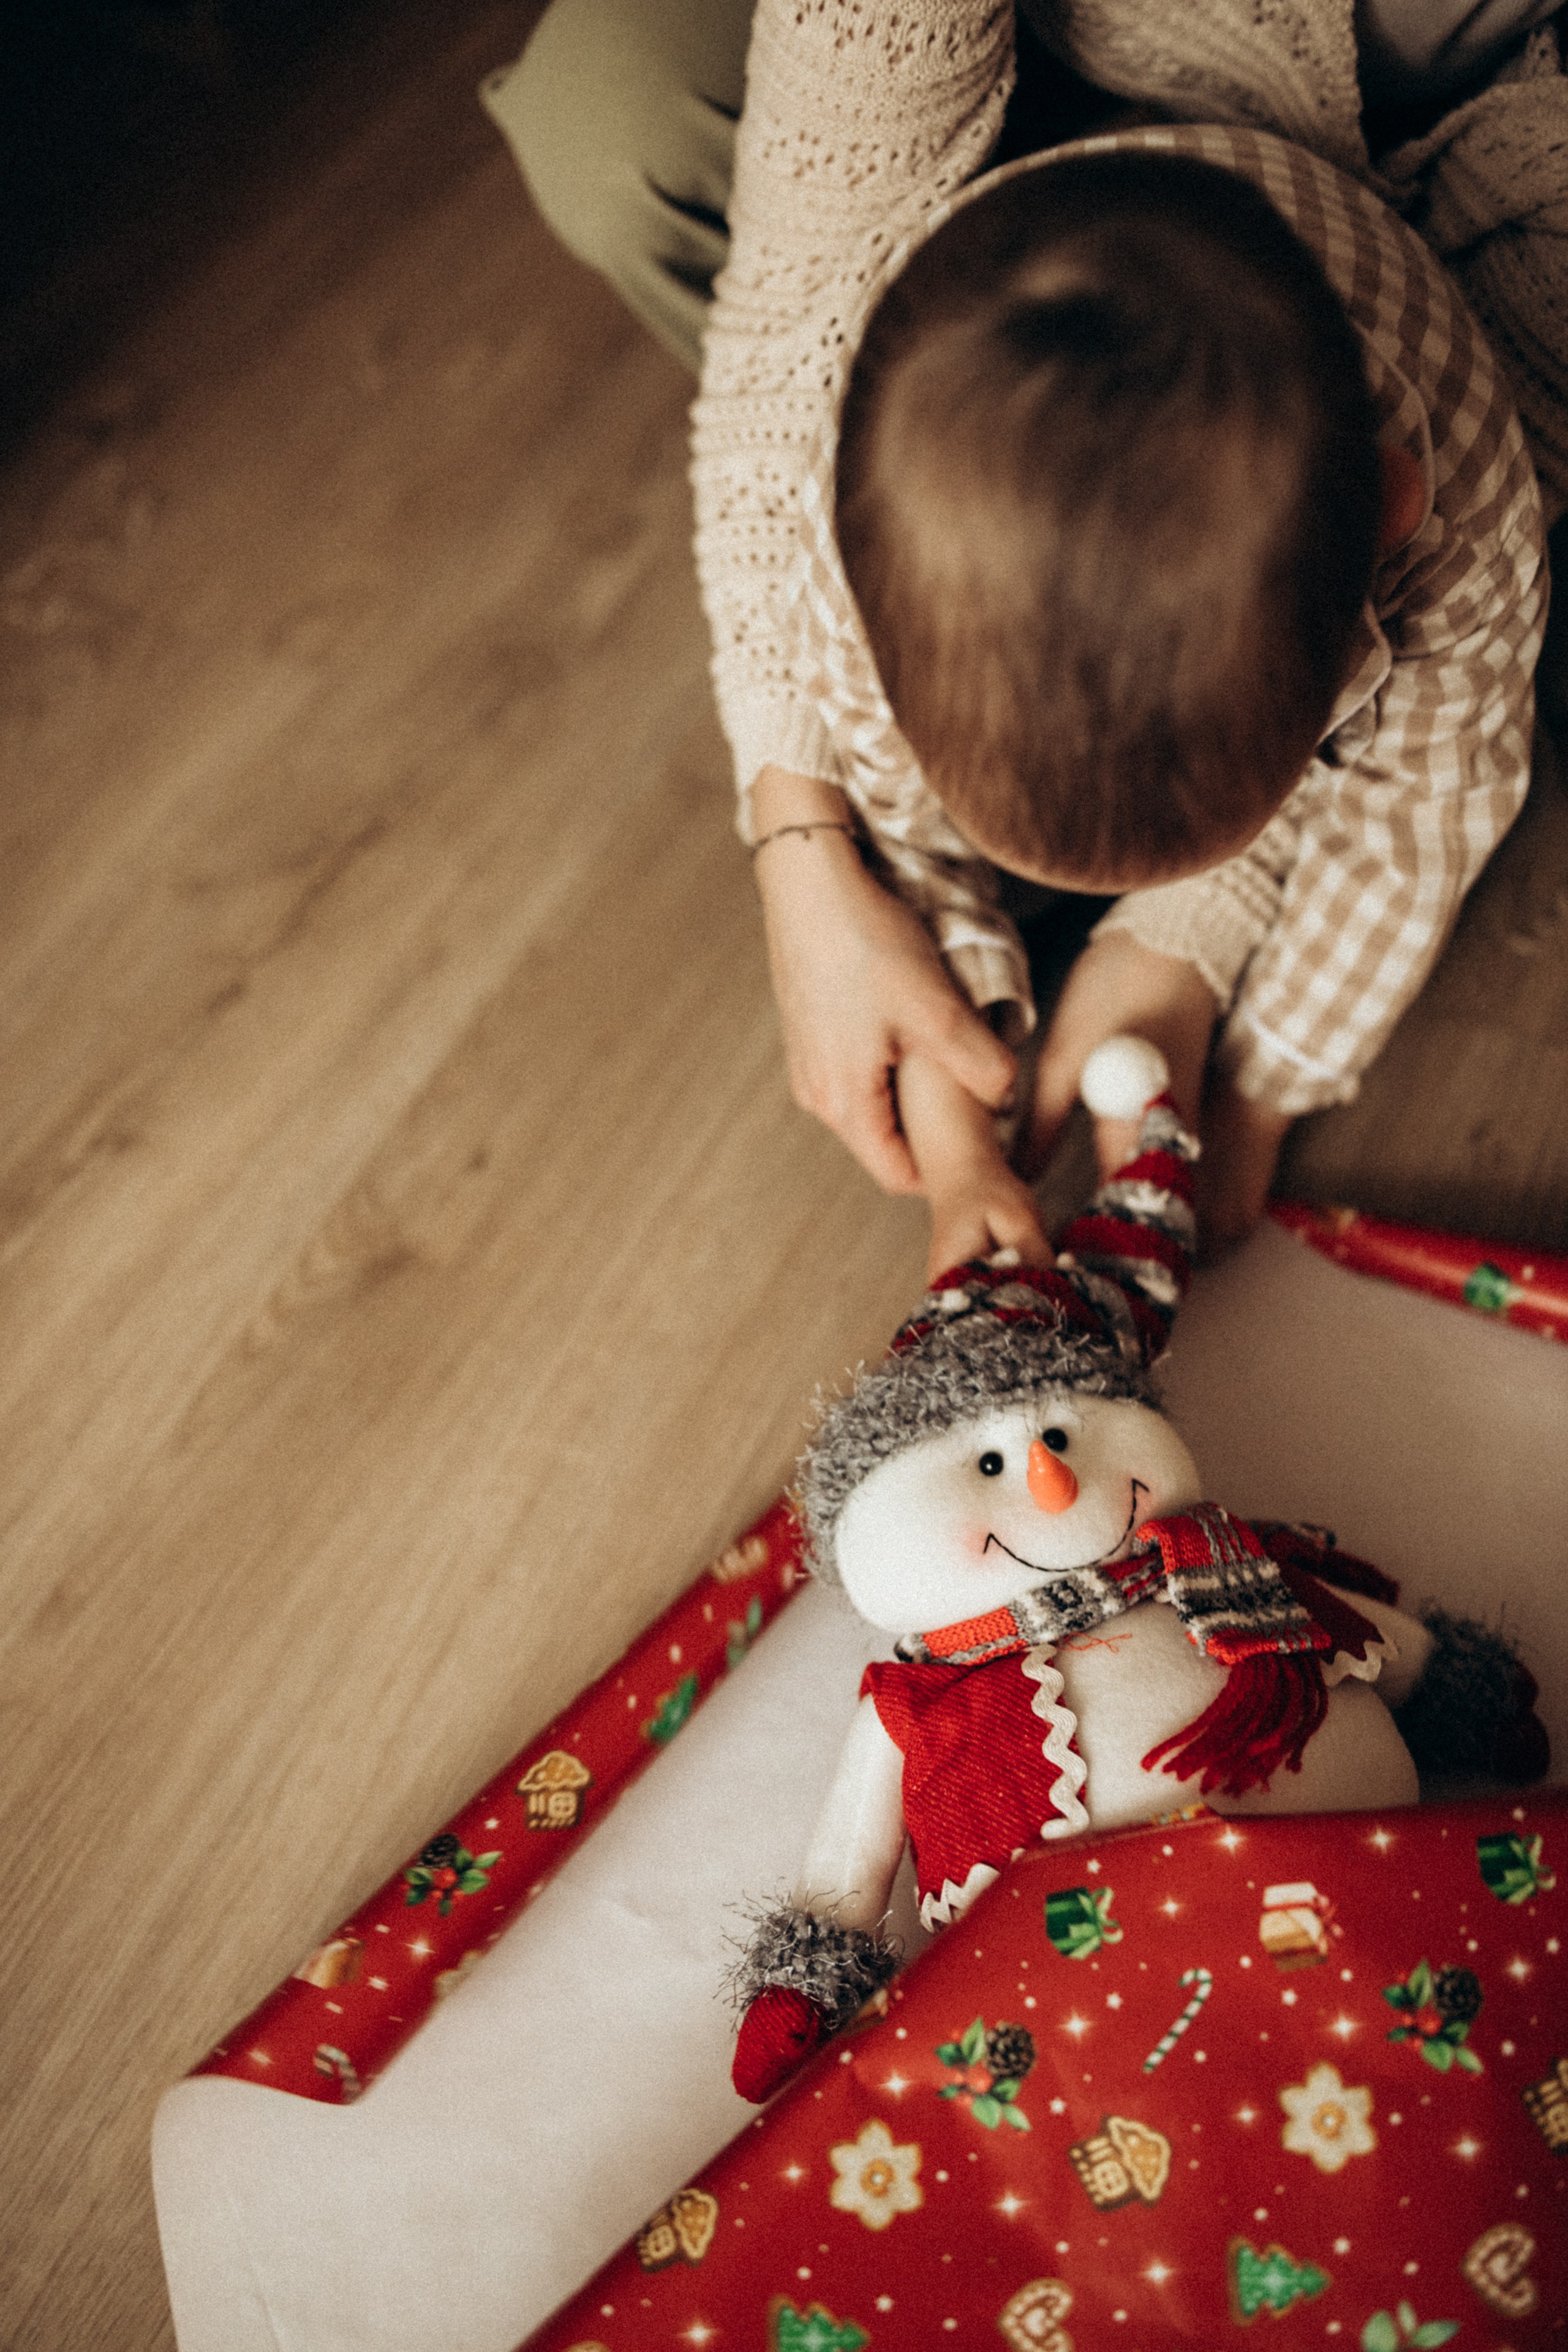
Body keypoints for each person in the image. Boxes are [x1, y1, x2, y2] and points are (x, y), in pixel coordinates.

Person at [486, 1, 1556, 1272]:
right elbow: (895, 817)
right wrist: (952, 1139)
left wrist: (1255, 1080)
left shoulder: (1469, 504)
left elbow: (1417, 816)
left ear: (1394, 513)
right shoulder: (831, 561)